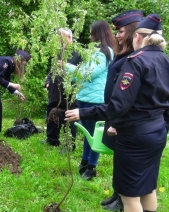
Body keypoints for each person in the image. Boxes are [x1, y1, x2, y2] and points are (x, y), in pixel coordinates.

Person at [65, 13, 169, 212]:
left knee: (130, 196)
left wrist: (84, 113)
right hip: (157, 133)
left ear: (137, 37)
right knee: (148, 188)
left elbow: (117, 106)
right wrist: (163, 129)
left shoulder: (136, 61)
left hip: (135, 136)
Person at [101, 10, 144, 211]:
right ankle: (117, 194)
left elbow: (129, 96)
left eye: (121, 31)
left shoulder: (134, 57)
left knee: (125, 161)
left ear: (132, 32)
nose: (117, 35)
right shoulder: (123, 53)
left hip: (122, 117)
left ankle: (123, 199)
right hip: (114, 111)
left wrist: (118, 123)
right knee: (119, 158)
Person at [64, 20, 116, 180]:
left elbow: (89, 73)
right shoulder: (94, 51)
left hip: (96, 99)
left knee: (94, 134)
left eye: (92, 32)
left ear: (99, 33)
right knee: (87, 133)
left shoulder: (105, 52)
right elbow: (81, 74)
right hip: (85, 96)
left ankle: (92, 167)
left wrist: (67, 66)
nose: (90, 36)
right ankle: (85, 161)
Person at [42, 28, 82, 149]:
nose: (58, 40)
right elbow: (52, 71)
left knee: (69, 116)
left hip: (69, 91)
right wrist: (48, 82)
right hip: (55, 91)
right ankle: (52, 139)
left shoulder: (78, 53)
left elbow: (81, 73)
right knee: (52, 112)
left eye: (60, 38)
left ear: (69, 37)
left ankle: (69, 144)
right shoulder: (58, 53)